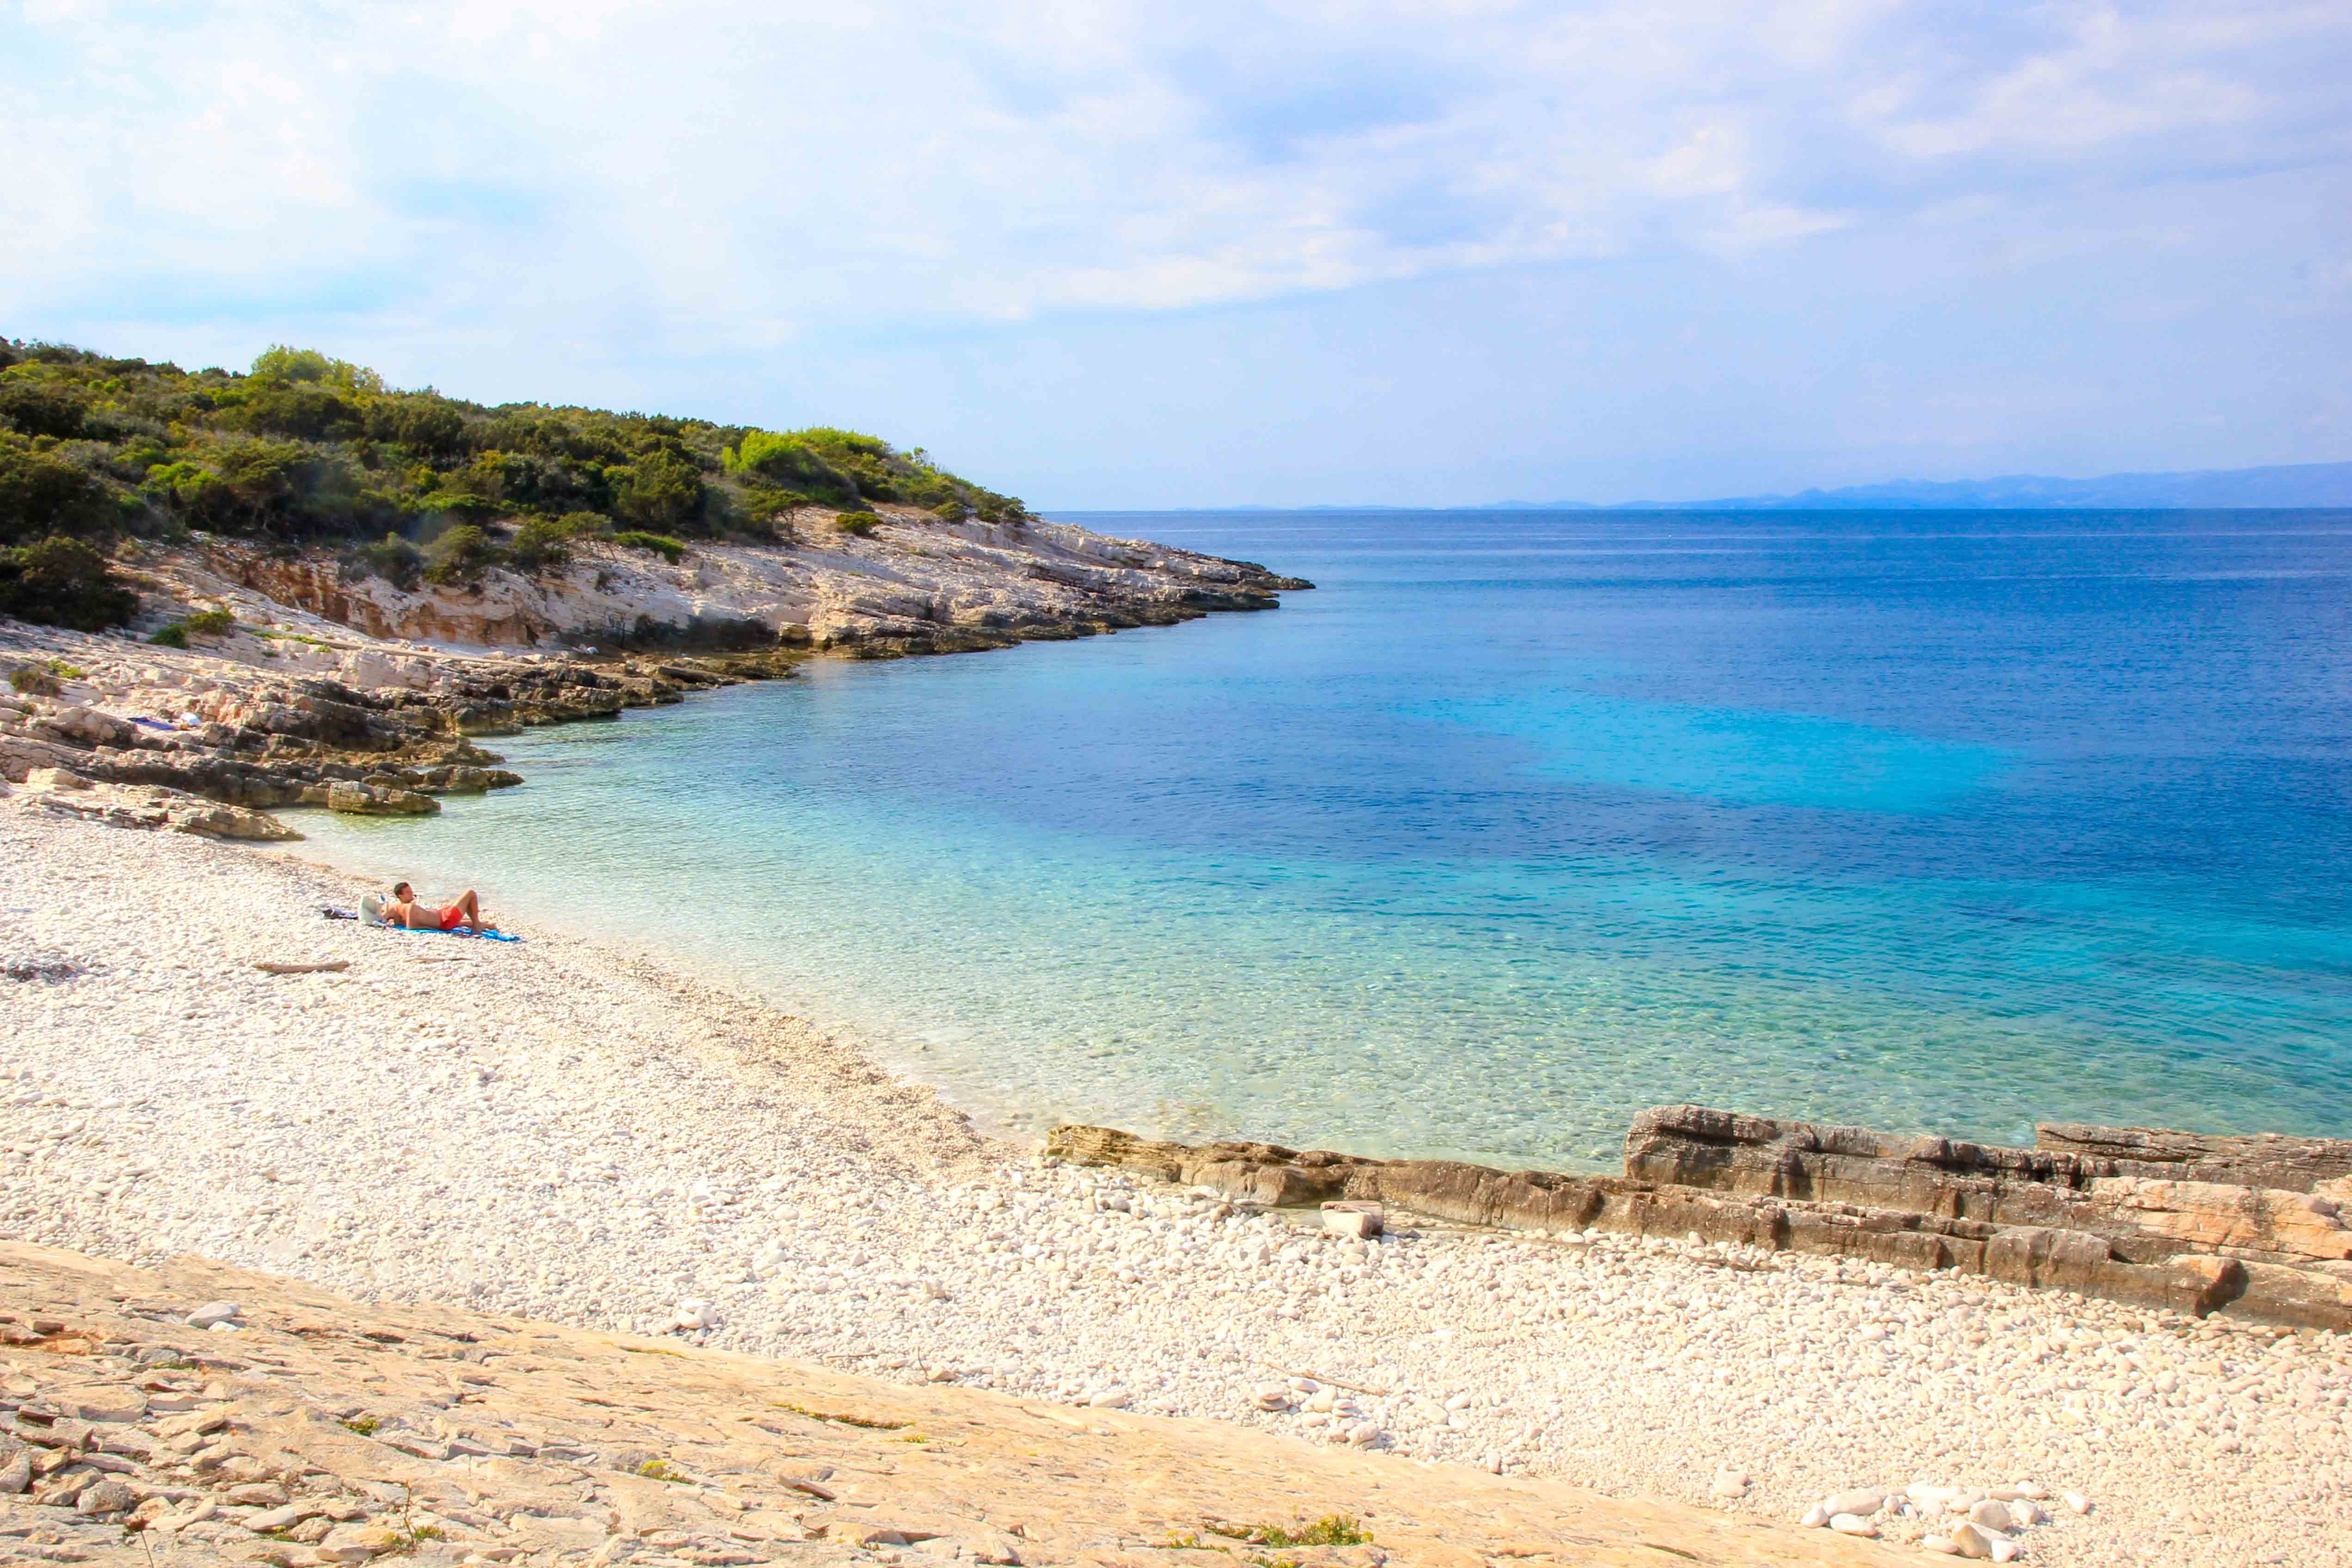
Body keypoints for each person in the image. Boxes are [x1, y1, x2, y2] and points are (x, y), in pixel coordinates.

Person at [386, 880, 498, 935]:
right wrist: (434, 929)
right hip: (446, 920)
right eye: (408, 892)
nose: (412, 893)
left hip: (443, 917)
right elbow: (412, 927)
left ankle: (489, 925)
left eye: (411, 891)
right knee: (470, 893)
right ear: (400, 895)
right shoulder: (410, 907)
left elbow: (396, 921)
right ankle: (477, 926)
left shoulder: (400, 907)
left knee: (460, 915)